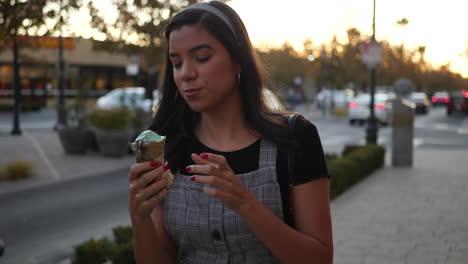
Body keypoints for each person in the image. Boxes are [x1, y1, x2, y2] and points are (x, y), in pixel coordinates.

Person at [127, 1, 333, 263]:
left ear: (238, 60)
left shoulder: (294, 138)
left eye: (201, 58)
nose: (186, 74)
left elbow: (320, 259)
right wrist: (138, 216)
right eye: (176, 63)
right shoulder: (167, 145)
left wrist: (245, 203)